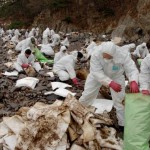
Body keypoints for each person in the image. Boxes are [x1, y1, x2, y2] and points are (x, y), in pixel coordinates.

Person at [79, 41, 139, 127]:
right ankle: (78, 112)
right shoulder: (96, 53)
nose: (106, 58)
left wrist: (133, 80)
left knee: (120, 100)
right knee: (87, 95)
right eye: (104, 56)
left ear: (114, 54)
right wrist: (110, 83)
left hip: (116, 76)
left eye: (109, 57)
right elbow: (96, 72)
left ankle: (123, 124)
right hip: (96, 76)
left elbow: (131, 68)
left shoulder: (123, 54)